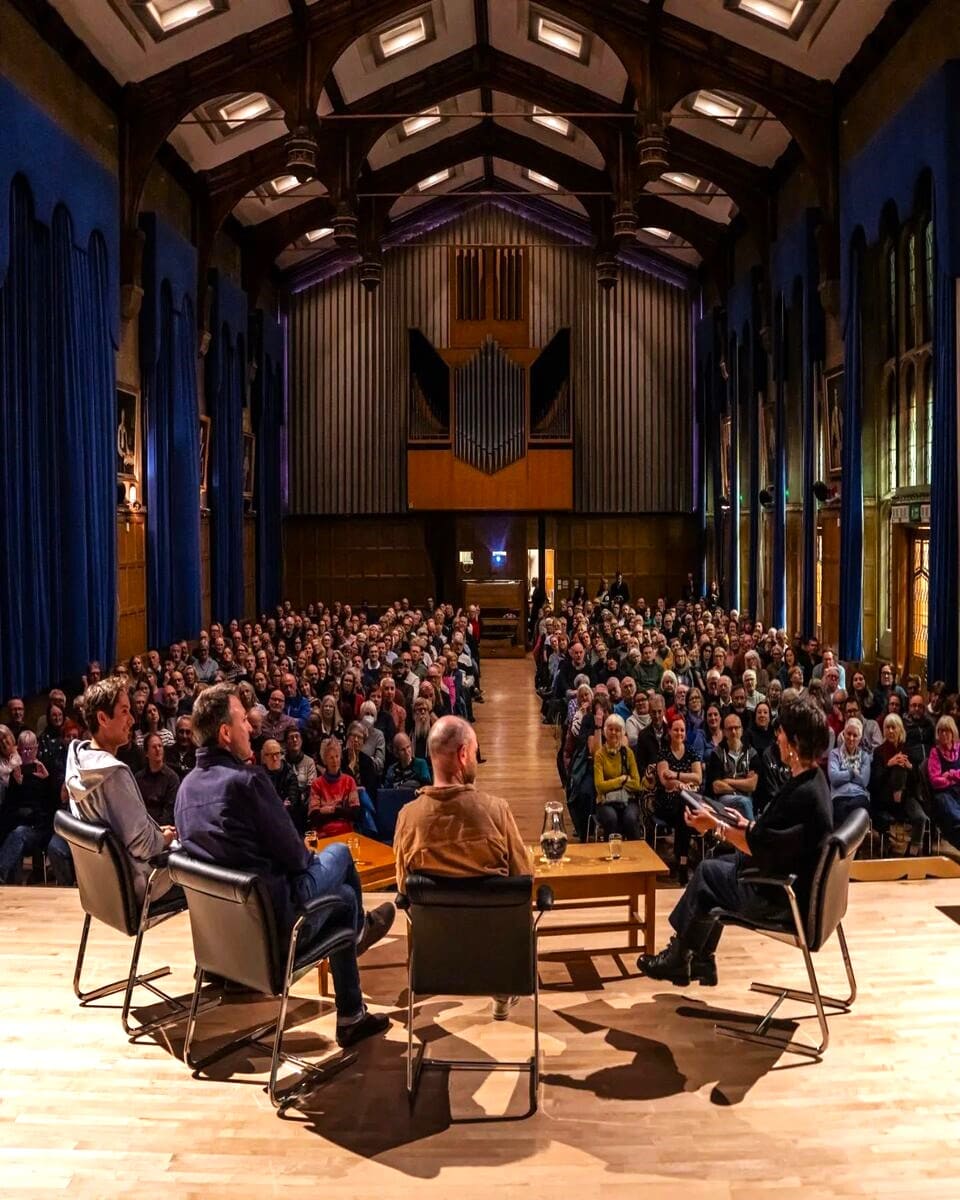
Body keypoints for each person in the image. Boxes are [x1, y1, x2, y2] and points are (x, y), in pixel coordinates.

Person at [174, 684, 392, 1049]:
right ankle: (357, 936)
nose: (252, 728)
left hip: (225, 943)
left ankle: (353, 1007)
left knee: (341, 897)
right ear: (225, 733)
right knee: (338, 860)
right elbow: (297, 858)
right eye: (244, 720)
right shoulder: (247, 782)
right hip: (278, 933)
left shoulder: (185, 789)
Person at [638, 696, 833, 987]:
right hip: (790, 882)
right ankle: (700, 960)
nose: (776, 738)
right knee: (715, 869)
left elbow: (758, 847)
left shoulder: (800, 794)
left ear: (793, 743)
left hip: (779, 898)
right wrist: (744, 823)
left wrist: (714, 825)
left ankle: (681, 958)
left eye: (781, 733)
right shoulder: (814, 781)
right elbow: (776, 837)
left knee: (706, 873)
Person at [393, 716, 529, 1020]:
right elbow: (523, 877)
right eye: (476, 751)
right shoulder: (496, 811)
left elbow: (403, 888)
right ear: (463, 754)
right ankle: (501, 991)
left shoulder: (408, 819)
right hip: (499, 963)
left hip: (435, 963)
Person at [65, 678, 176, 903]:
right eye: (125, 711)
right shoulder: (114, 773)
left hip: (101, 887)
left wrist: (154, 830)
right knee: (205, 869)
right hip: (140, 884)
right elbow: (143, 847)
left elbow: (118, 828)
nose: (133, 720)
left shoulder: (77, 762)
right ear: (103, 718)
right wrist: (164, 838)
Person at [0, 731, 56, 883]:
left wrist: (47, 780)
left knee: (18, 834)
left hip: (39, 829)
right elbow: (8, 809)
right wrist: (16, 785)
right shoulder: (15, 773)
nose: (27, 753)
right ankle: (12, 887)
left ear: (37, 749)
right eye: (24, 749)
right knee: (13, 834)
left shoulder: (44, 770)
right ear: (18, 750)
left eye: (30, 749)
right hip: (19, 826)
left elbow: (55, 805)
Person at [654, 715, 704, 883]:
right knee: (686, 812)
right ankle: (683, 861)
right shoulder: (664, 752)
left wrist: (676, 776)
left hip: (684, 804)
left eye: (682, 730)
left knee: (684, 812)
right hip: (666, 803)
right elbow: (664, 782)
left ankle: (681, 861)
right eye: (676, 729)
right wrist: (683, 782)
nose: (679, 733)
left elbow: (699, 778)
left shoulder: (691, 751)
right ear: (669, 731)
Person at [870, 714, 926, 854]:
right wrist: (889, 764)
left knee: (920, 818)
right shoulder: (878, 752)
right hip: (885, 797)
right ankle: (897, 793)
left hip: (906, 796)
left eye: (893, 727)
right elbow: (875, 781)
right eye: (887, 727)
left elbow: (917, 780)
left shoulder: (908, 751)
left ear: (900, 730)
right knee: (896, 766)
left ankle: (912, 853)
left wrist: (910, 767)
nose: (890, 731)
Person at [592, 714, 643, 841]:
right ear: (605, 731)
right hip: (605, 802)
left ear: (622, 733)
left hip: (627, 800)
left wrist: (610, 784)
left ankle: (636, 856)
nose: (614, 732)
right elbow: (599, 786)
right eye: (610, 729)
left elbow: (637, 784)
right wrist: (622, 780)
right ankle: (611, 854)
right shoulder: (599, 755)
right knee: (611, 818)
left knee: (630, 819)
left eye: (617, 730)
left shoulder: (628, 753)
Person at [705, 712, 760, 820]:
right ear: (724, 732)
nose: (733, 732)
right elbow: (717, 787)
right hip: (724, 800)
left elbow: (752, 785)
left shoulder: (752, 753)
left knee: (746, 802)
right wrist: (742, 786)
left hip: (747, 798)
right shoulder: (717, 753)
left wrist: (727, 780)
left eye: (736, 728)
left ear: (742, 730)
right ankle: (752, 834)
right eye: (730, 729)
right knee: (744, 802)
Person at [308, 738, 361, 836]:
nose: (335, 761)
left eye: (337, 756)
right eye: (331, 757)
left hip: (346, 832)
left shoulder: (349, 781)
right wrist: (341, 812)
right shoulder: (317, 784)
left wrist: (329, 810)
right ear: (325, 760)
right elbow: (314, 817)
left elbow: (355, 814)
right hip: (323, 833)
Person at [828, 718, 872, 824]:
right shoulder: (834, 754)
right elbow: (834, 778)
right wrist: (852, 772)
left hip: (859, 796)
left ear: (860, 738)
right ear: (843, 733)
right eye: (848, 734)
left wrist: (843, 773)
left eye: (855, 735)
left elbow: (864, 781)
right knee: (843, 811)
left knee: (855, 809)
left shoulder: (864, 756)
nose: (851, 738)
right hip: (839, 796)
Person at [927, 716, 960, 850]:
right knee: (945, 801)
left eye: (947, 731)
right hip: (944, 794)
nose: (944, 734)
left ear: (953, 733)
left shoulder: (959, 749)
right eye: (941, 731)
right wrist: (954, 779)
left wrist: (951, 774)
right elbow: (935, 781)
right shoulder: (935, 752)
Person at [135, 732, 181, 826]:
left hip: (164, 828)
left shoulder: (172, 778)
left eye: (160, 746)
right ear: (146, 753)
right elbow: (136, 808)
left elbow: (169, 812)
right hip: (143, 827)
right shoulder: (138, 778)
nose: (158, 749)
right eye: (154, 747)